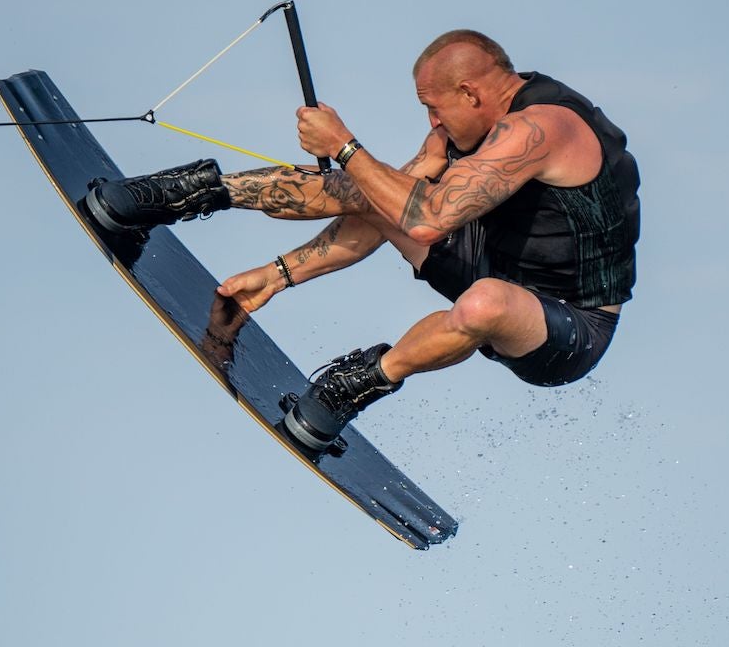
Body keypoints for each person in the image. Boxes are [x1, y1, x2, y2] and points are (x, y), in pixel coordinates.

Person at [84, 29, 640, 453]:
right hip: (492, 261)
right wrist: (278, 275)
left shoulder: (541, 128)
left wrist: (345, 143)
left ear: (470, 92)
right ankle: (181, 195)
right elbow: (383, 201)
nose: (430, 118)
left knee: (485, 301)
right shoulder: (464, 128)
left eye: (434, 105)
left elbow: (427, 221)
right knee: (371, 189)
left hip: (569, 325)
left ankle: (354, 386)